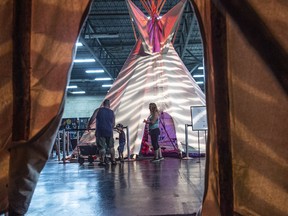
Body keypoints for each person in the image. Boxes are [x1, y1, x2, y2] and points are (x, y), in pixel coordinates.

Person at [96, 99, 117, 166]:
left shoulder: (98, 110)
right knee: (111, 147)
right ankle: (113, 160)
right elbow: (113, 123)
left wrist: (88, 125)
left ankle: (102, 161)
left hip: (100, 131)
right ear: (109, 105)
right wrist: (111, 128)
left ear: (103, 104)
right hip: (109, 131)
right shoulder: (111, 112)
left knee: (102, 147)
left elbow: (92, 118)